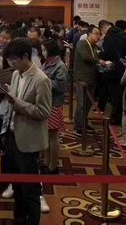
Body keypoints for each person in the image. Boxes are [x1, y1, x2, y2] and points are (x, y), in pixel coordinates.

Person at [2, 38, 52, 225]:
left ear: (25, 57)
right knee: (16, 184)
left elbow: (44, 112)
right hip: (13, 135)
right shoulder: (17, 74)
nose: (11, 63)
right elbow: (15, 98)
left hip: (29, 140)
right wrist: (8, 94)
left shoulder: (41, 79)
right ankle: (19, 218)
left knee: (30, 190)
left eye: (14, 59)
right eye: (9, 59)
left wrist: (17, 103)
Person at [41, 40, 69, 174]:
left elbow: (61, 86)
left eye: (44, 50)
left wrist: (45, 80)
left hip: (54, 103)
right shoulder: (47, 63)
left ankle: (53, 165)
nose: (42, 52)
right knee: (45, 135)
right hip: (46, 102)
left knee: (52, 135)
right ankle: (46, 161)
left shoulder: (60, 66)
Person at [100, 21, 126, 125]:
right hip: (123, 67)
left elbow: (107, 53)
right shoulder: (123, 34)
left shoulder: (109, 37)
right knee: (121, 93)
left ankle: (116, 117)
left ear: (104, 28)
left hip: (112, 69)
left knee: (114, 94)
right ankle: (120, 116)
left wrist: (101, 56)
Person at [73, 25, 101, 135]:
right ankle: (78, 127)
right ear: (89, 34)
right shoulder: (82, 43)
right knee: (82, 103)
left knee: (89, 103)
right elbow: (86, 57)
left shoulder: (95, 46)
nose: (98, 36)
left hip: (92, 78)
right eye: (96, 34)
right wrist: (99, 61)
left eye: (99, 34)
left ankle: (83, 122)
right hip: (82, 78)